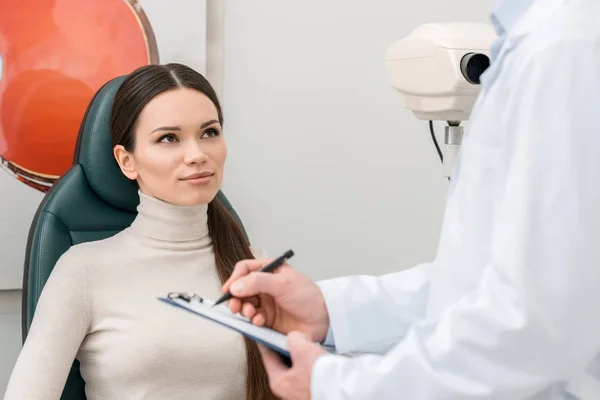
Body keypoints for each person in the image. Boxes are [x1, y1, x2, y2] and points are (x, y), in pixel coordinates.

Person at [221, 0, 600, 398]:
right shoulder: (544, 43)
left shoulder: (563, 47)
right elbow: (481, 284)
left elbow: (535, 323)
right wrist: (331, 311)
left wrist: (341, 386)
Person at [4, 63, 277, 400]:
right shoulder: (84, 270)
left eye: (209, 132)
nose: (197, 155)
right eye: (168, 138)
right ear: (126, 161)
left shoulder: (250, 266)